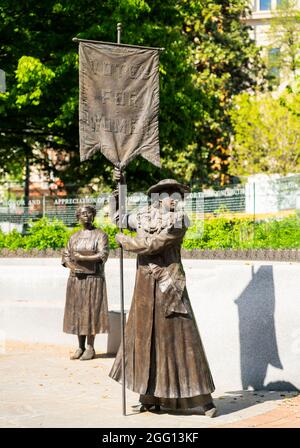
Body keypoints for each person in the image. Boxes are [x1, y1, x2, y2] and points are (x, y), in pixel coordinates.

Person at [109, 177, 217, 417]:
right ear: (158, 197)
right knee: (146, 337)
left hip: (169, 285)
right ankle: (149, 396)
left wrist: (125, 241)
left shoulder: (180, 220)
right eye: (170, 195)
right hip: (145, 287)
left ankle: (203, 398)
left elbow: (154, 244)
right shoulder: (142, 216)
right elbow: (118, 218)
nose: (175, 200)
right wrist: (120, 188)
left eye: (178, 195)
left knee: (181, 338)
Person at [62, 205, 109, 360]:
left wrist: (83, 258)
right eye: (83, 214)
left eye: (89, 213)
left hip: (93, 279)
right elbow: (66, 257)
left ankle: (90, 347)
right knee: (78, 312)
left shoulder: (100, 235)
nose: (86, 216)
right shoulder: (73, 237)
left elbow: (103, 254)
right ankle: (80, 346)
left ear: (93, 216)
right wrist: (73, 267)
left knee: (91, 312)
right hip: (76, 279)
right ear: (78, 217)